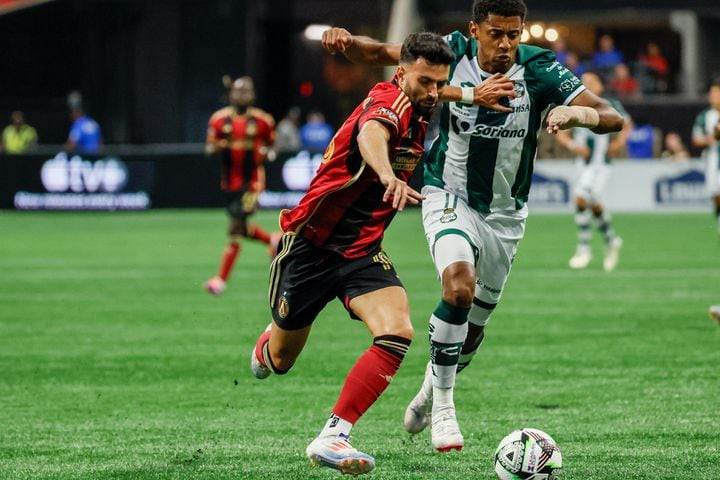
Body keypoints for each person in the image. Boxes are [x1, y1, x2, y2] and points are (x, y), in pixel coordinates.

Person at [322, 0, 624, 453]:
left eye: (513, 34)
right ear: (474, 29)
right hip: (447, 193)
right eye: (495, 33)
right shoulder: (449, 52)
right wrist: (345, 42)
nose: (505, 44)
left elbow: (611, 116)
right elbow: (379, 54)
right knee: (457, 289)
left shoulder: (540, 70)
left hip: (506, 213)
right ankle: (445, 407)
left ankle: (428, 390)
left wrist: (573, 114)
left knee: (474, 326)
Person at [249, 32, 455, 475]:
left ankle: (333, 435)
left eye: (440, 83)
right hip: (309, 248)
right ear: (401, 73)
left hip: (361, 252)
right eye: (426, 82)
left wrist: (476, 93)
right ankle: (268, 344)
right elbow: (371, 133)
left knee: (398, 330)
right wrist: (386, 175)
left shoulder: (421, 101)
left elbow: (441, 90)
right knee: (281, 361)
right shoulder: (391, 104)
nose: (434, 92)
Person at [204, 76, 280, 296]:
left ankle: (220, 281)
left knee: (235, 228)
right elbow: (208, 149)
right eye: (239, 91)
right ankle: (272, 240)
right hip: (230, 182)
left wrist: (269, 153)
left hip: (252, 182)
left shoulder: (262, 120)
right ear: (231, 95)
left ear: (253, 95)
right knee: (240, 227)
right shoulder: (219, 120)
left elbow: (273, 147)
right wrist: (218, 146)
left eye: (247, 91)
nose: (242, 95)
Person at [555, 72, 631, 272]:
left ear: (599, 86)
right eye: (583, 82)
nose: (586, 84)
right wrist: (573, 145)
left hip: (600, 165)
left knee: (580, 199)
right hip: (582, 164)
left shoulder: (609, 103)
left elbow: (626, 124)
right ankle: (611, 240)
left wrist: (619, 143)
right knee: (594, 205)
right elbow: (561, 132)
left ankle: (584, 248)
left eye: (591, 81)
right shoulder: (575, 104)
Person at [691, 77, 720, 236]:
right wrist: (711, 139)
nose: (712, 97)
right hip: (713, 160)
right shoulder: (705, 116)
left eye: (716, 94)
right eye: (711, 94)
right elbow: (696, 139)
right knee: (715, 194)